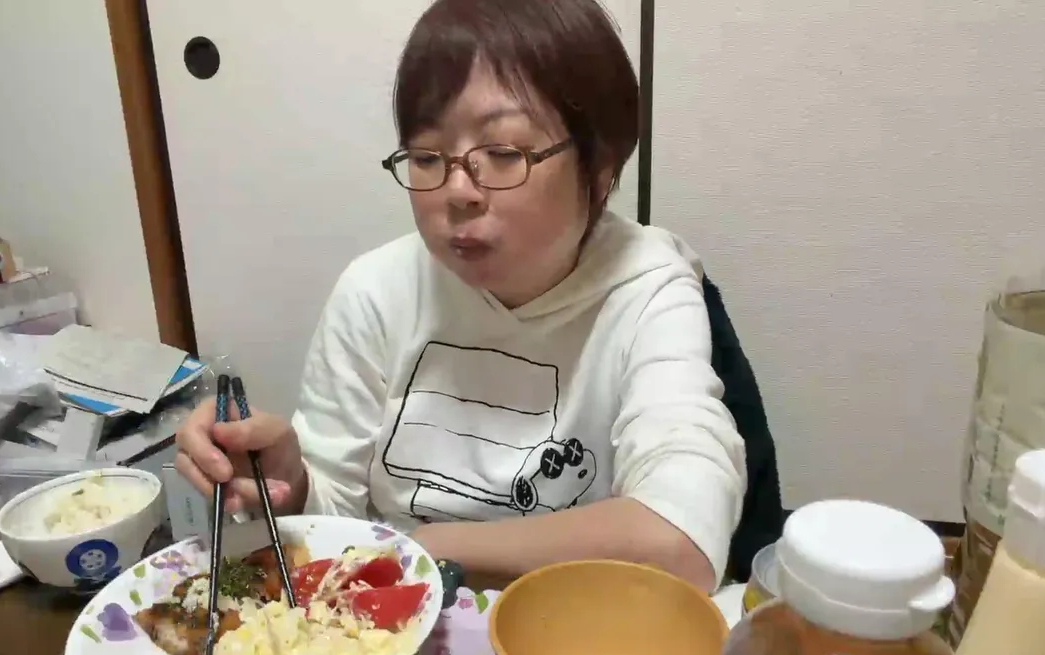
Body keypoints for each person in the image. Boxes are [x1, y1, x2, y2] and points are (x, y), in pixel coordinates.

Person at [175, 0, 746, 592]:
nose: (457, 192)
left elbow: (680, 542)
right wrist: (289, 484)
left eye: (503, 154)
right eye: (427, 157)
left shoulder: (648, 289)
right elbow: (331, 519)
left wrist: (427, 548)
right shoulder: (376, 293)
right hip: (393, 626)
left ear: (599, 167)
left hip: (572, 625)